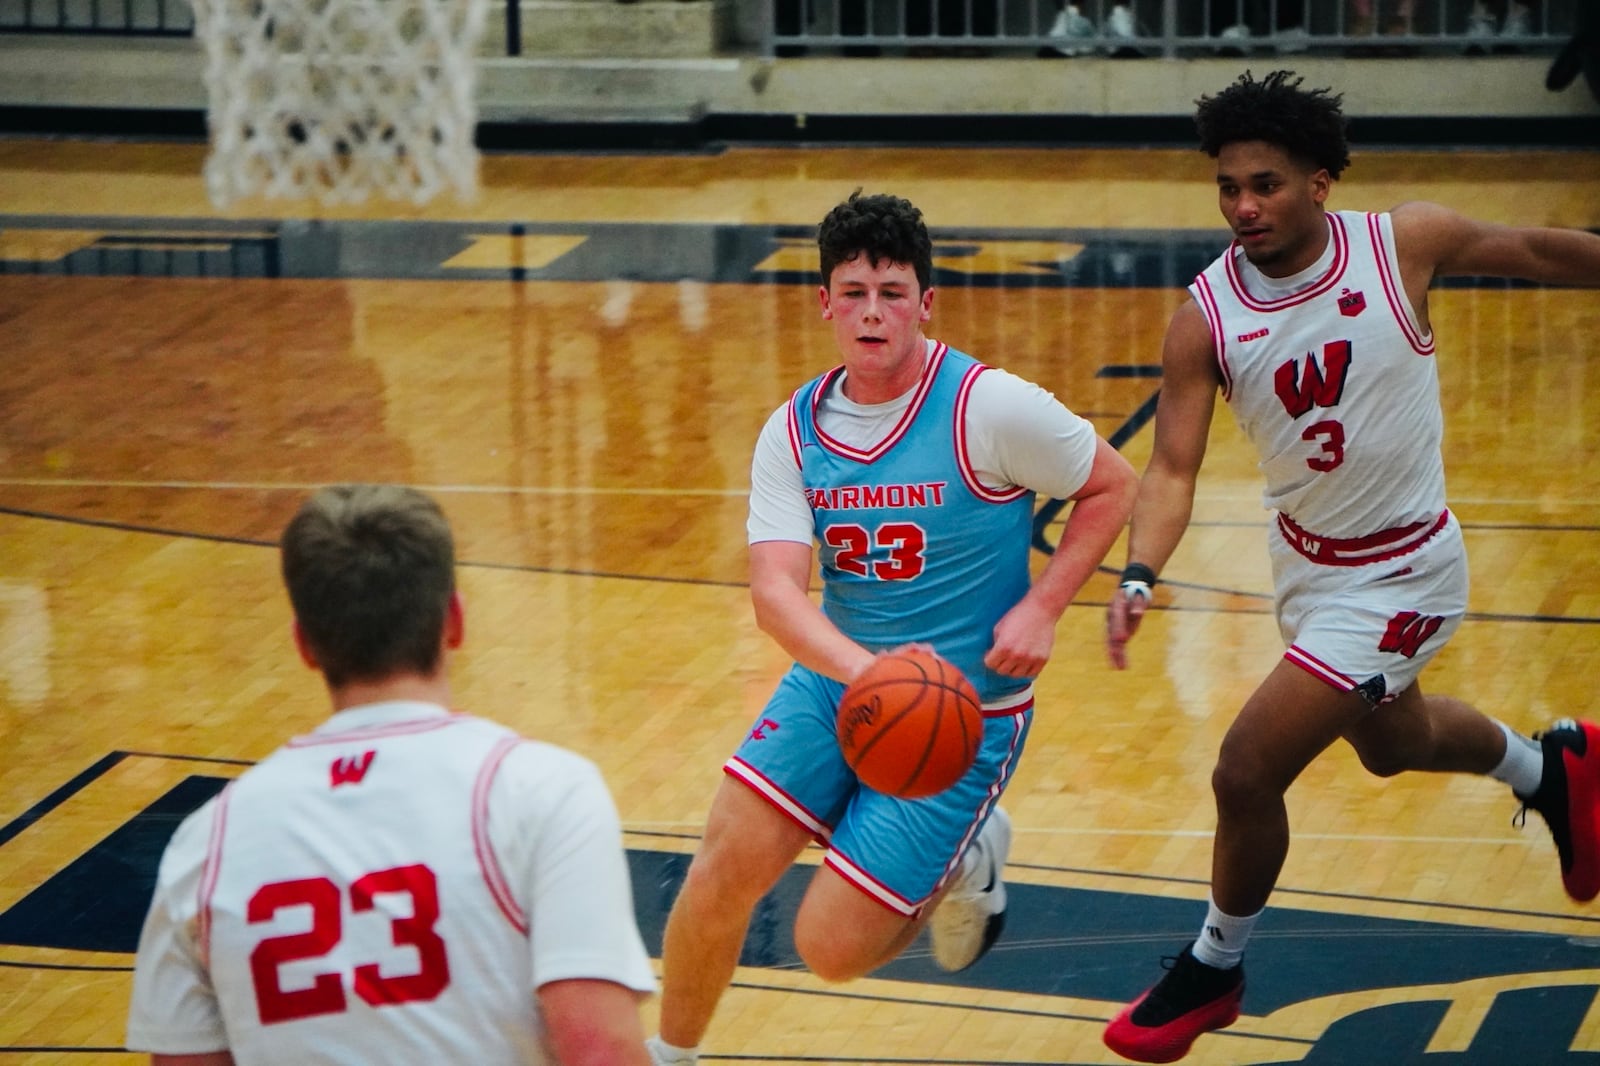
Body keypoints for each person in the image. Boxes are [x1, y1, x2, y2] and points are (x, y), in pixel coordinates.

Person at [1100, 69, 1600, 1063]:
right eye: (1228, 188)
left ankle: (1215, 964)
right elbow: (1169, 465)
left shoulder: (1400, 243)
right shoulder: (1205, 314)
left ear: (1320, 181)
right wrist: (1137, 572)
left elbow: (1544, 251)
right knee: (1391, 740)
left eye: (1266, 185)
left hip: (1408, 570)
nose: (1243, 207)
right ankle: (1555, 768)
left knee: (1245, 768)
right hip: (1309, 570)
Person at [646, 191, 1138, 1066]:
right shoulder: (792, 432)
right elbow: (776, 594)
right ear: (824, 302)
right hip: (837, 684)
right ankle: (668, 1058)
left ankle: (965, 859)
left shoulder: (990, 407)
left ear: (926, 302)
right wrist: (864, 674)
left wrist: (1044, 603)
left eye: (893, 291)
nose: (873, 311)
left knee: (828, 949)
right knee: (719, 868)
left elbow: (1112, 484)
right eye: (855, 291)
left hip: (966, 715)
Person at [126, 484, 656, 1066]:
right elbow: (599, 1049)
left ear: (304, 643)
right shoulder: (543, 792)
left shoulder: (204, 845)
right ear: (453, 620)